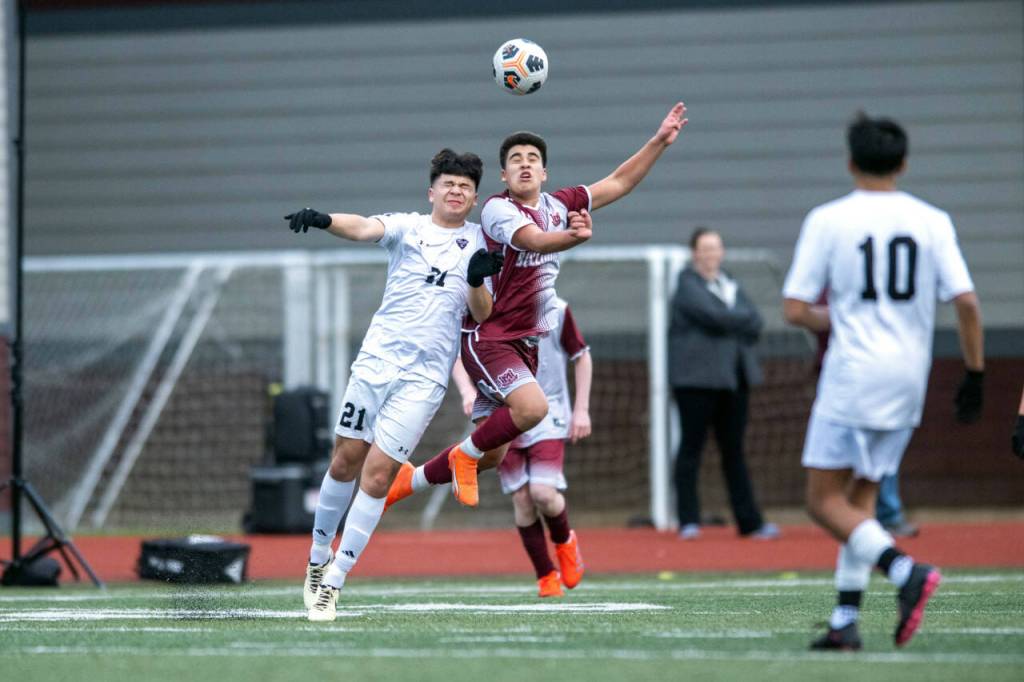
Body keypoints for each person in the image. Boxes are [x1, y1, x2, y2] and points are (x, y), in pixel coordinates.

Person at [385, 102, 688, 515]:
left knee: (493, 453)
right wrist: (572, 238)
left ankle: (411, 479)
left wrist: (659, 142)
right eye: (515, 159)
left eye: (533, 158)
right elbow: (533, 240)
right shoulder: (498, 209)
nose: (525, 164)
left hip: (524, 343)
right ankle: (463, 457)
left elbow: (618, 183)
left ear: (544, 172)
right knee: (533, 408)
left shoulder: (560, 204)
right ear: (504, 175)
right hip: (489, 337)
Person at [783, 113, 984, 650]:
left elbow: (795, 308)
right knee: (862, 496)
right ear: (904, 164)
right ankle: (845, 621)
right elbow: (966, 301)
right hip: (909, 377)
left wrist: (839, 316)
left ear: (850, 162)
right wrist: (975, 372)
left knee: (823, 501)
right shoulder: (932, 220)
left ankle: (905, 571)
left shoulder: (829, 219)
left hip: (853, 374)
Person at [284, 149, 505, 622]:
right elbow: (364, 227)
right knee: (345, 460)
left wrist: (476, 280)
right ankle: (317, 558)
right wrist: (323, 219)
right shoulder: (408, 227)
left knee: (379, 475)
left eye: (465, 187)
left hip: (425, 379)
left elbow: (483, 313)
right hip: (377, 363)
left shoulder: (480, 243)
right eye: (448, 184)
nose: (456, 191)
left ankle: (335, 584)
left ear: (474, 198)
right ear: (432, 192)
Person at [454, 296, 593, 597]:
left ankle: (564, 542)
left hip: (548, 411)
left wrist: (581, 410)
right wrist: (467, 392)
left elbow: (581, 356)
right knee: (522, 498)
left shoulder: (556, 309)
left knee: (542, 493)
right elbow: (459, 352)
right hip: (504, 412)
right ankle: (546, 576)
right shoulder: (485, 308)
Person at [669, 227, 778, 540]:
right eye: (705, 248)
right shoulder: (687, 286)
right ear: (695, 253)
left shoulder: (730, 284)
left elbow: (755, 320)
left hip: (734, 380)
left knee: (734, 452)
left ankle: (750, 522)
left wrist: (733, 317)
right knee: (691, 449)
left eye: (715, 248)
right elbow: (715, 316)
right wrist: (735, 318)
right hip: (696, 383)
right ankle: (688, 520)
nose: (711, 254)